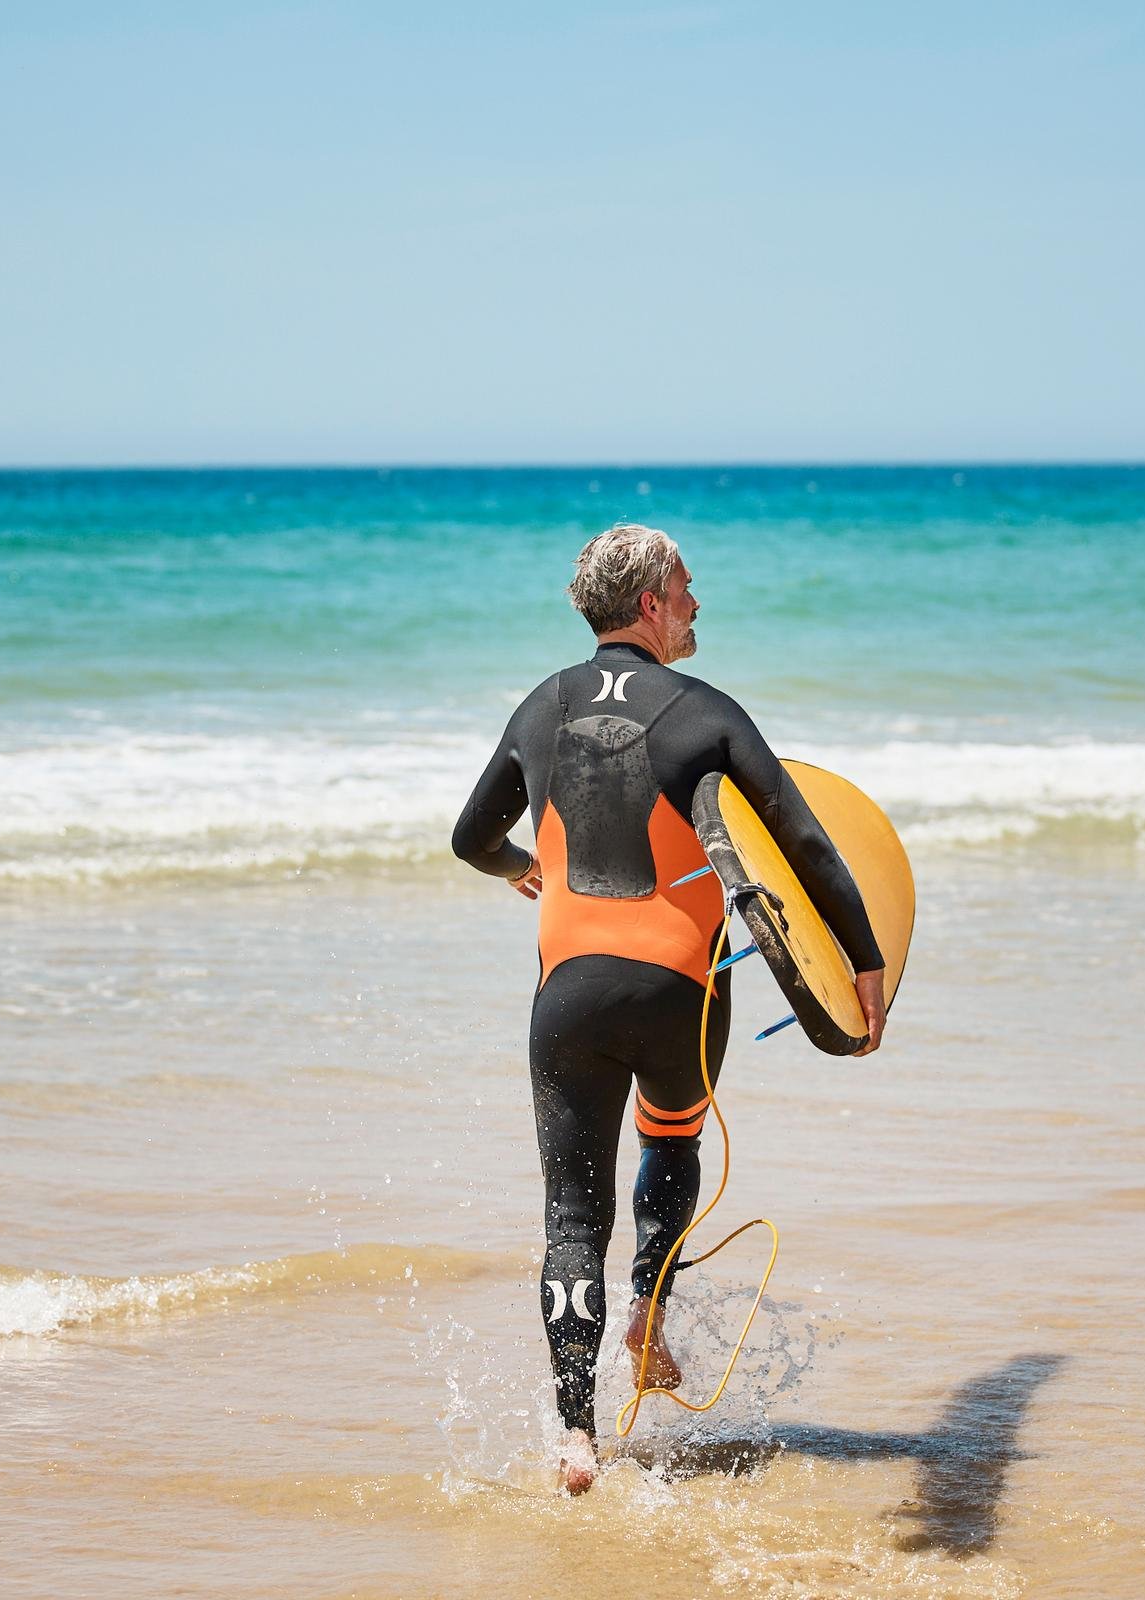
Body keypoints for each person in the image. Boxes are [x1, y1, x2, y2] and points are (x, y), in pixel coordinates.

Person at [451, 523, 887, 1494]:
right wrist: (861, 961)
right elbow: (805, 843)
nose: (696, 604)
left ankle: (575, 1433)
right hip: (678, 992)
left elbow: (468, 835)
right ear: (650, 602)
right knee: (673, 1140)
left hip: (566, 995)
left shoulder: (540, 704)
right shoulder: (704, 712)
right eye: (687, 589)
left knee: (571, 1215)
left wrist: (524, 869)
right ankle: (648, 1303)